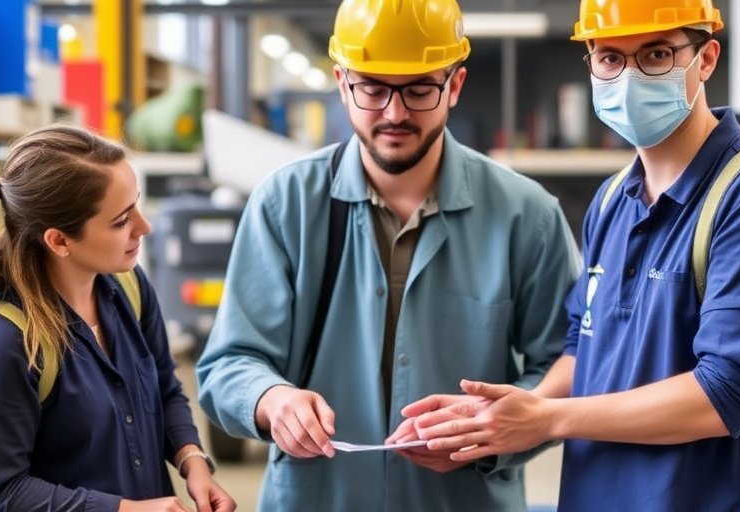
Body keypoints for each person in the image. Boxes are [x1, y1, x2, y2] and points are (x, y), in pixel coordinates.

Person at [401, 1, 740, 511]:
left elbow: (724, 394)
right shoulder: (610, 201)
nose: (628, 78)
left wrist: (548, 420)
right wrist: (494, 417)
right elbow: (584, 351)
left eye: (656, 54)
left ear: (707, 58)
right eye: (608, 58)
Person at [194, 0, 580, 509]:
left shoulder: (526, 216)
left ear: (455, 86)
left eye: (420, 90)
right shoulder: (284, 203)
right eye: (372, 88)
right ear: (341, 82)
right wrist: (271, 400)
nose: (394, 113)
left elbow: (566, 366)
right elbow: (230, 363)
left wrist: (490, 426)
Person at [0, 125, 236, 512]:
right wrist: (126, 510)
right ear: (59, 240)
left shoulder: (129, 287)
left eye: (137, 205)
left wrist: (193, 462)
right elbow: (0, 496)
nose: (145, 227)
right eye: (122, 221)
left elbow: (163, 385)